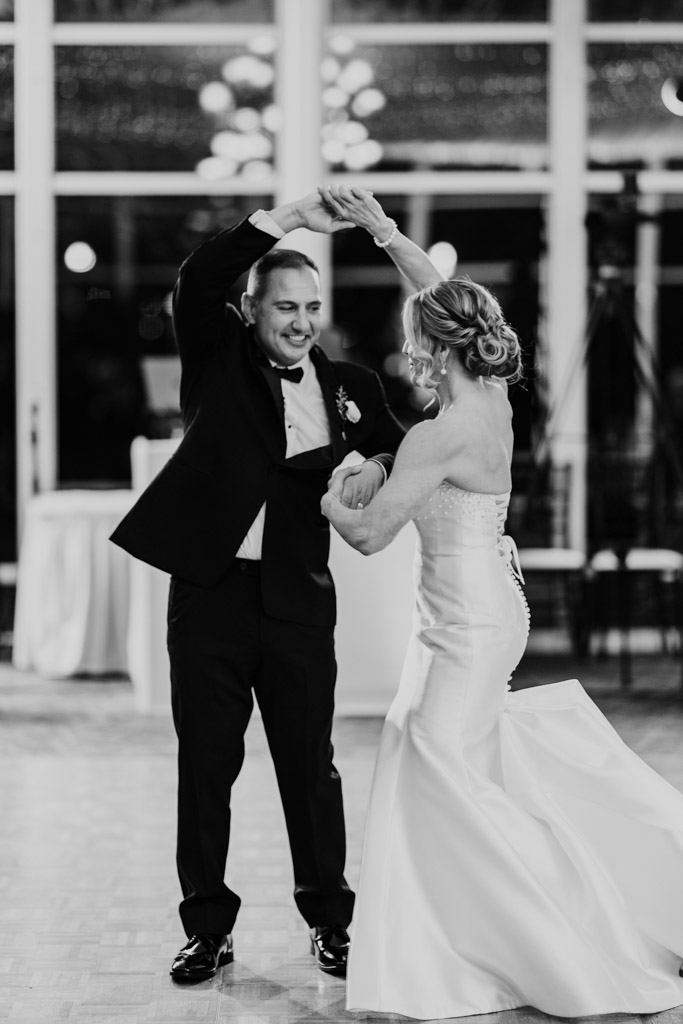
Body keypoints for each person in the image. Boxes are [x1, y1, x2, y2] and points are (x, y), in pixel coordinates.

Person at [319, 185, 683, 1020]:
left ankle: (551, 941)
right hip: (482, 609)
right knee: (442, 762)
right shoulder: (490, 401)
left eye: (414, 338)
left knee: (440, 765)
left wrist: (340, 486)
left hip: (465, 625)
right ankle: (441, 941)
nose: (407, 348)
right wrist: (384, 232)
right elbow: (434, 293)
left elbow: (369, 536)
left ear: (432, 348)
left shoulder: (436, 433)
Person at [110, 191, 407, 981]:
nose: (301, 322)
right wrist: (290, 216)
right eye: (284, 307)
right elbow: (198, 278)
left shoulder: (352, 387)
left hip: (298, 602)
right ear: (250, 311)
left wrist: (376, 465)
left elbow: (400, 448)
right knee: (207, 767)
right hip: (209, 597)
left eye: (311, 307)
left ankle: (330, 920)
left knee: (310, 769)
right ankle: (207, 928)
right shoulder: (216, 356)